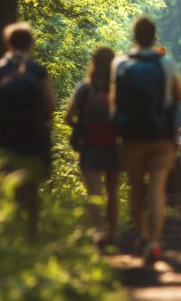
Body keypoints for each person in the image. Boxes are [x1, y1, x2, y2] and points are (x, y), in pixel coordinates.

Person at [110, 16, 181, 263]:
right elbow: (178, 95)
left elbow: (115, 101)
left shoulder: (120, 63)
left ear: (134, 35)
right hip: (160, 134)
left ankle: (140, 234)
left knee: (136, 187)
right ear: (154, 36)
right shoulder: (166, 63)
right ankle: (154, 242)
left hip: (131, 135)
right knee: (156, 188)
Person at [0, 22, 56, 238]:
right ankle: (31, 233)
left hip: (6, 136)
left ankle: (9, 231)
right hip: (33, 135)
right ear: (30, 44)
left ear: (7, 43)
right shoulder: (36, 71)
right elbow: (51, 104)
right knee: (32, 187)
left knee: (7, 181)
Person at [65, 47, 119, 246]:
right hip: (114, 144)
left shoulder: (85, 88)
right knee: (112, 191)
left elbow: (68, 117)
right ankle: (112, 234)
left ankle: (98, 232)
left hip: (89, 144)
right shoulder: (118, 88)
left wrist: (81, 127)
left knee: (94, 192)